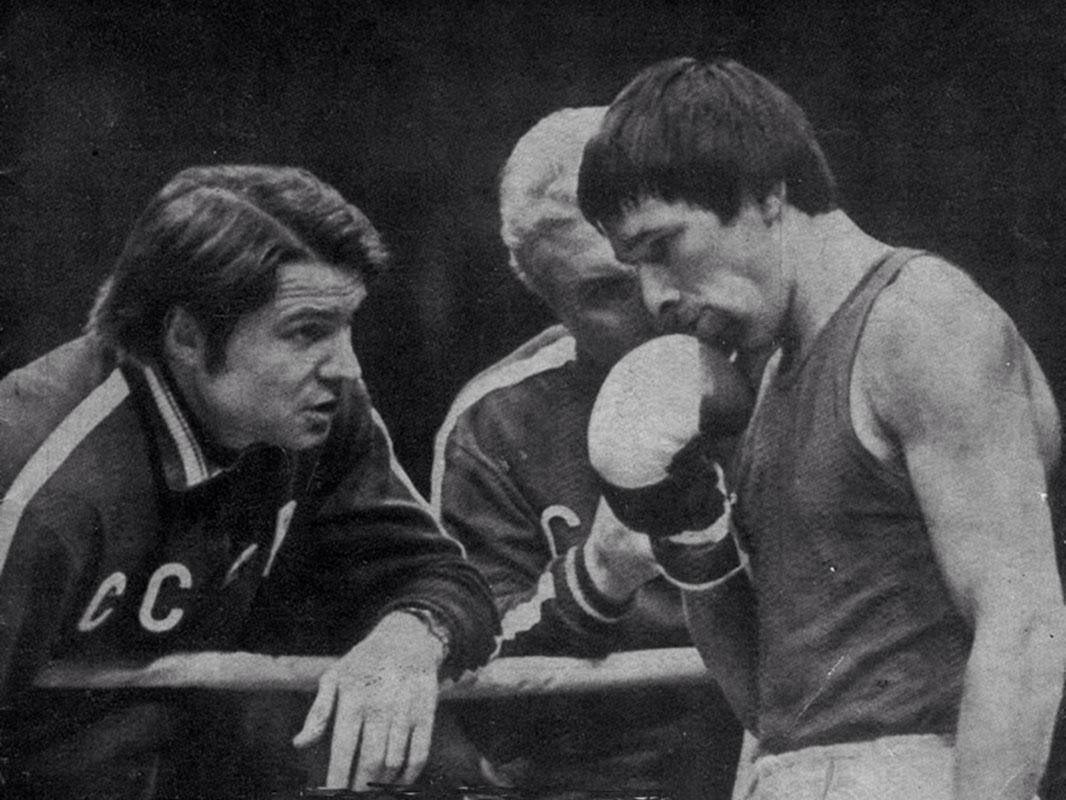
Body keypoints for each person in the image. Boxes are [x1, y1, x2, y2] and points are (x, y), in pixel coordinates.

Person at [577, 58, 1064, 800]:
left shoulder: (921, 320)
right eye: (632, 268)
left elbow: (1022, 624)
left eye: (663, 247)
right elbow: (774, 709)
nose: (655, 297)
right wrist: (688, 529)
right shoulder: (767, 371)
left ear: (767, 194)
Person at [0, 164, 498, 799]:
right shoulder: (40, 482)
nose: (346, 367)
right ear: (186, 336)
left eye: (347, 326)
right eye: (307, 331)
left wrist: (409, 639)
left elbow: (446, 579)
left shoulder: (323, 417)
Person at [429, 107, 745, 799]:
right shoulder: (496, 424)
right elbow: (491, 724)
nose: (655, 299)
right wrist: (597, 577)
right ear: (549, 302)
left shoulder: (792, 357)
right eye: (606, 289)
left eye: (659, 256)